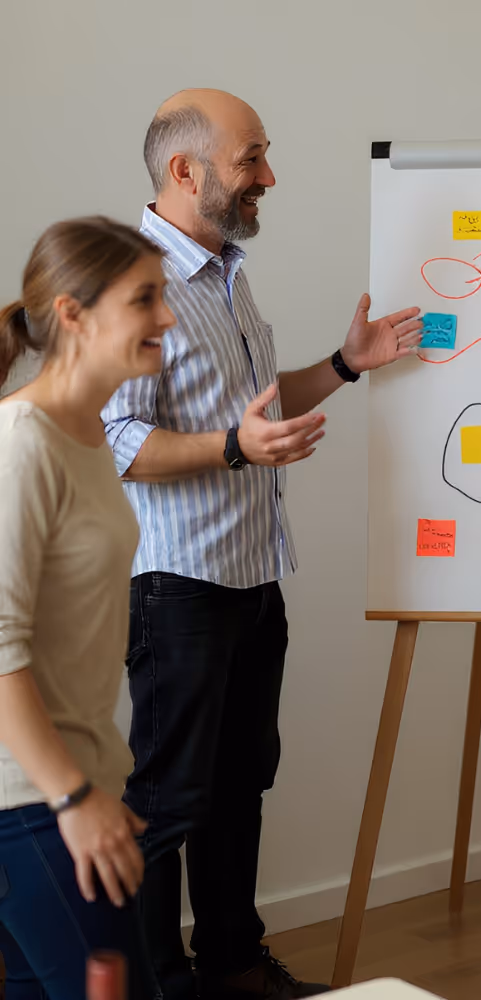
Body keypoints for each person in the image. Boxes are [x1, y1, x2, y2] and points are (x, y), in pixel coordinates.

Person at [101, 89, 423, 1000]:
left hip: (251, 580)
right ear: (184, 170)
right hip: (180, 588)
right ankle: (159, 983)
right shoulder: (133, 281)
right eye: (252, 159)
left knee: (241, 785)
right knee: (167, 805)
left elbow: (254, 403)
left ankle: (234, 964)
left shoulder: (226, 273)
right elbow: (120, 441)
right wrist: (235, 447)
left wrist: (346, 365)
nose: (268, 176)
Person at [0, 216, 176, 1000]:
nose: (166, 318)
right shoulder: (22, 446)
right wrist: (73, 797)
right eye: (146, 299)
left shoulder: (88, 435)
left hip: (75, 780)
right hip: (29, 798)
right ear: (73, 314)